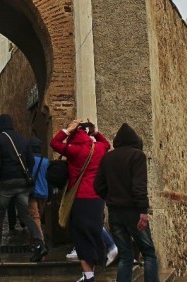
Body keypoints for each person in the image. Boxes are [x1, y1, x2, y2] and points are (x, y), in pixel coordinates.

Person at [93, 123, 158, 282]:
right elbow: (139, 186)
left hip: (115, 213)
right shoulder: (137, 155)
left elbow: (97, 185)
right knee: (148, 253)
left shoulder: (107, 157)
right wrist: (143, 211)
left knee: (125, 256)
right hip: (134, 212)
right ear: (135, 141)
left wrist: (111, 197)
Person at [50, 119, 110, 282]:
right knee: (94, 233)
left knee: (80, 236)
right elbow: (107, 144)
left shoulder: (74, 150)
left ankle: (88, 276)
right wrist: (96, 132)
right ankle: (92, 271)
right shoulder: (98, 148)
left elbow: (54, 143)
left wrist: (67, 130)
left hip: (80, 198)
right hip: (97, 198)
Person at [0, 114, 45, 263]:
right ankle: (39, 244)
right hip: (22, 183)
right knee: (25, 215)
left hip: (7, 182)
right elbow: (30, 161)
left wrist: (1, 178)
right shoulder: (23, 139)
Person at [28, 137, 50, 248]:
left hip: (32, 193)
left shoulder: (29, 160)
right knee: (38, 217)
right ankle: (33, 242)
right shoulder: (46, 161)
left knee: (34, 218)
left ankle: (40, 243)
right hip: (44, 193)